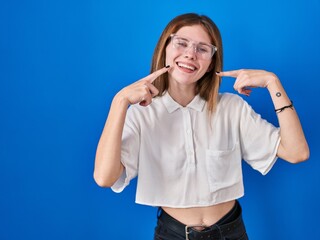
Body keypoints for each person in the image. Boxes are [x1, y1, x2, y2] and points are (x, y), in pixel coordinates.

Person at [93, 13, 309, 240]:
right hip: (172, 234)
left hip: (231, 233)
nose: (190, 54)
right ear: (164, 49)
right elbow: (104, 178)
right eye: (181, 43)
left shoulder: (232, 108)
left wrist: (272, 82)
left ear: (210, 64)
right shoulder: (141, 115)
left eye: (202, 49)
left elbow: (297, 152)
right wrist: (119, 102)